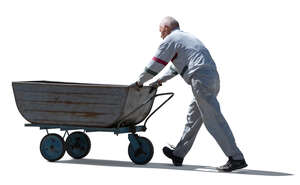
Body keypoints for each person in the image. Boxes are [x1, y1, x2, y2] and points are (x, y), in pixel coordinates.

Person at [131, 16, 247, 172]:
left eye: (160, 31)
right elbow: (176, 68)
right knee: (193, 118)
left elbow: (156, 63)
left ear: (166, 28)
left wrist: (139, 82)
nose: (160, 35)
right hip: (210, 78)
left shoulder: (171, 39)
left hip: (200, 79)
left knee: (213, 120)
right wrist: (159, 81)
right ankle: (178, 154)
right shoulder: (186, 38)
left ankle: (236, 158)